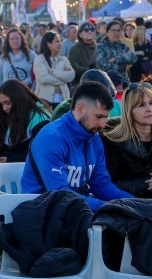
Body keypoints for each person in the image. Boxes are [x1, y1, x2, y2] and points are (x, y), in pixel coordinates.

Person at [21, 81, 133, 211]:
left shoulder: (93, 136)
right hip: (42, 212)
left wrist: (133, 202)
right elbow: (61, 195)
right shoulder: (51, 138)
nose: (103, 124)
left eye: (105, 117)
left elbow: (101, 185)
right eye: (99, 116)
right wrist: (110, 207)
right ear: (80, 109)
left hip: (76, 211)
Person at [0, 80, 51, 209]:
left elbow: (42, 155)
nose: (5, 108)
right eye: (2, 104)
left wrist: (10, 160)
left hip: (28, 169)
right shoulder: (10, 116)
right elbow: (2, 145)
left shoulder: (40, 119)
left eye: (8, 103)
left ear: (19, 100)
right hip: (6, 166)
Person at [33, 31, 75, 106]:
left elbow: (71, 75)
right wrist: (63, 80)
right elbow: (43, 78)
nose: (60, 44)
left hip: (63, 100)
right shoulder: (39, 59)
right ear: (48, 44)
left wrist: (53, 72)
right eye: (57, 41)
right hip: (45, 101)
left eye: (60, 41)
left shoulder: (63, 59)